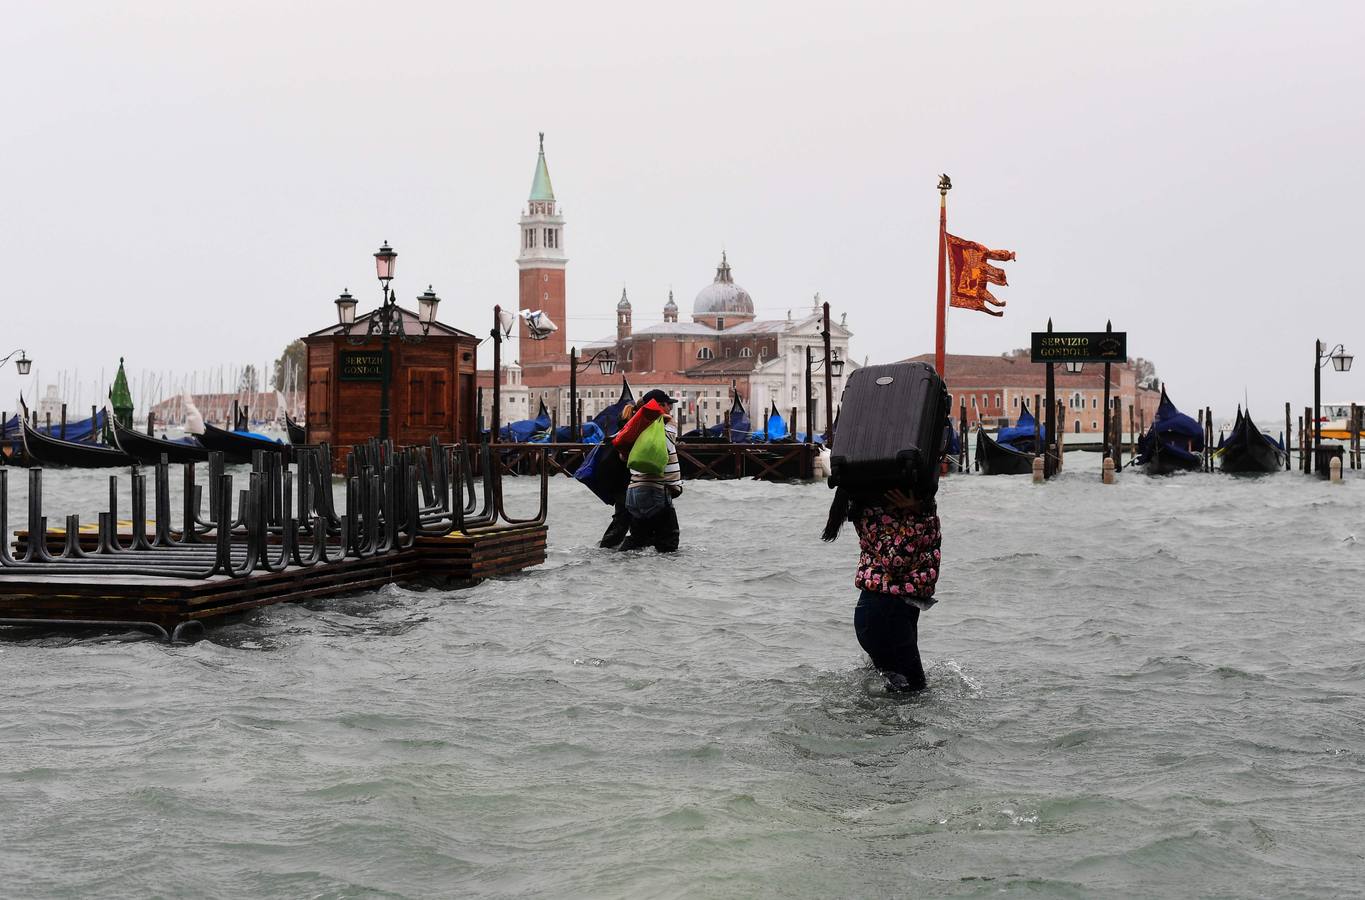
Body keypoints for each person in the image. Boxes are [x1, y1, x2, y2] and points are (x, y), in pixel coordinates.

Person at [822, 485, 941, 692]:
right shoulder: (875, 514)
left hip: (895, 609)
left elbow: (929, 549)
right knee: (913, 690)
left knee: (907, 690)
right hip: (883, 613)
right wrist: (917, 517)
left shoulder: (908, 512)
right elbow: (895, 561)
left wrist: (922, 512)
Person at [620, 389, 682, 552]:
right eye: (669, 406)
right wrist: (667, 419)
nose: (671, 410)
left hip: (633, 491)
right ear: (660, 406)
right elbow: (669, 441)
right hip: (655, 490)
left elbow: (623, 457)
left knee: (638, 541)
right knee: (668, 543)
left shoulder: (637, 428)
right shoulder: (666, 427)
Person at [599, 402, 636, 548]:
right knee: (623, 518)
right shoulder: (627, 436)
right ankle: (608, 546)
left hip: (617, 483)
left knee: (623, 517)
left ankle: (611, 545)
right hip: (624, 483)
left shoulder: (619, 434)